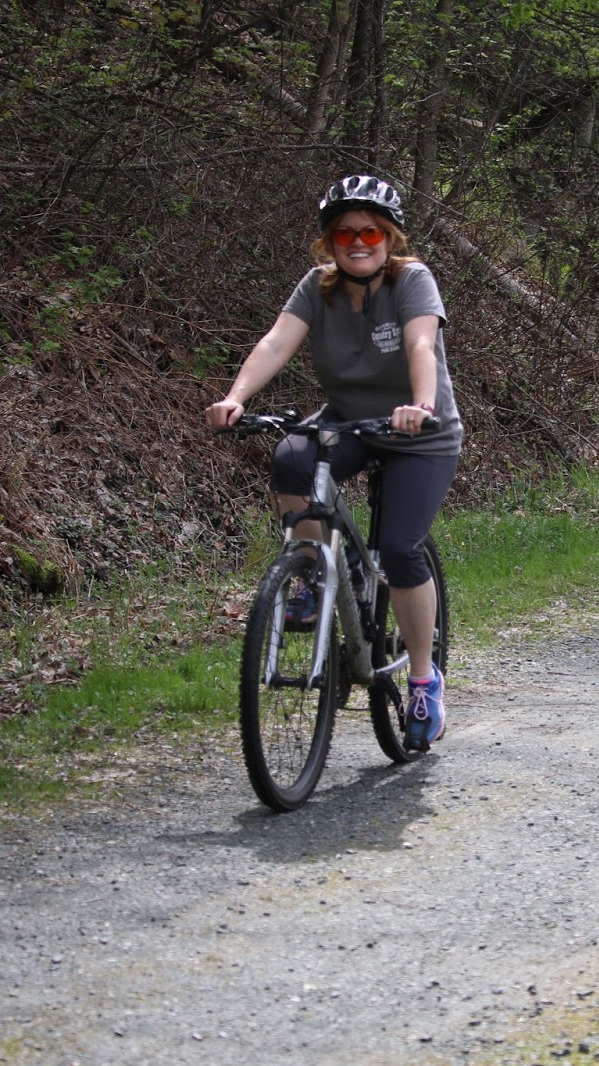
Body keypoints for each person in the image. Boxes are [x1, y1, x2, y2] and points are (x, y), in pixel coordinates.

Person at [205, 175, 462, 750]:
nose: (358, 241)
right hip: (349, 422)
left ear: (389, 237)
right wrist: (236, 397)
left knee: (398, 549)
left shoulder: (412, 281)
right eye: (344, 233)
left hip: (420, 434)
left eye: (370, 230)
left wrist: (421, 405)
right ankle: (313, 573)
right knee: (293, 456)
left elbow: (422, 345)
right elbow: (276, 342)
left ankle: (423, 678)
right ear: (329, 241)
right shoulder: (315, 289)